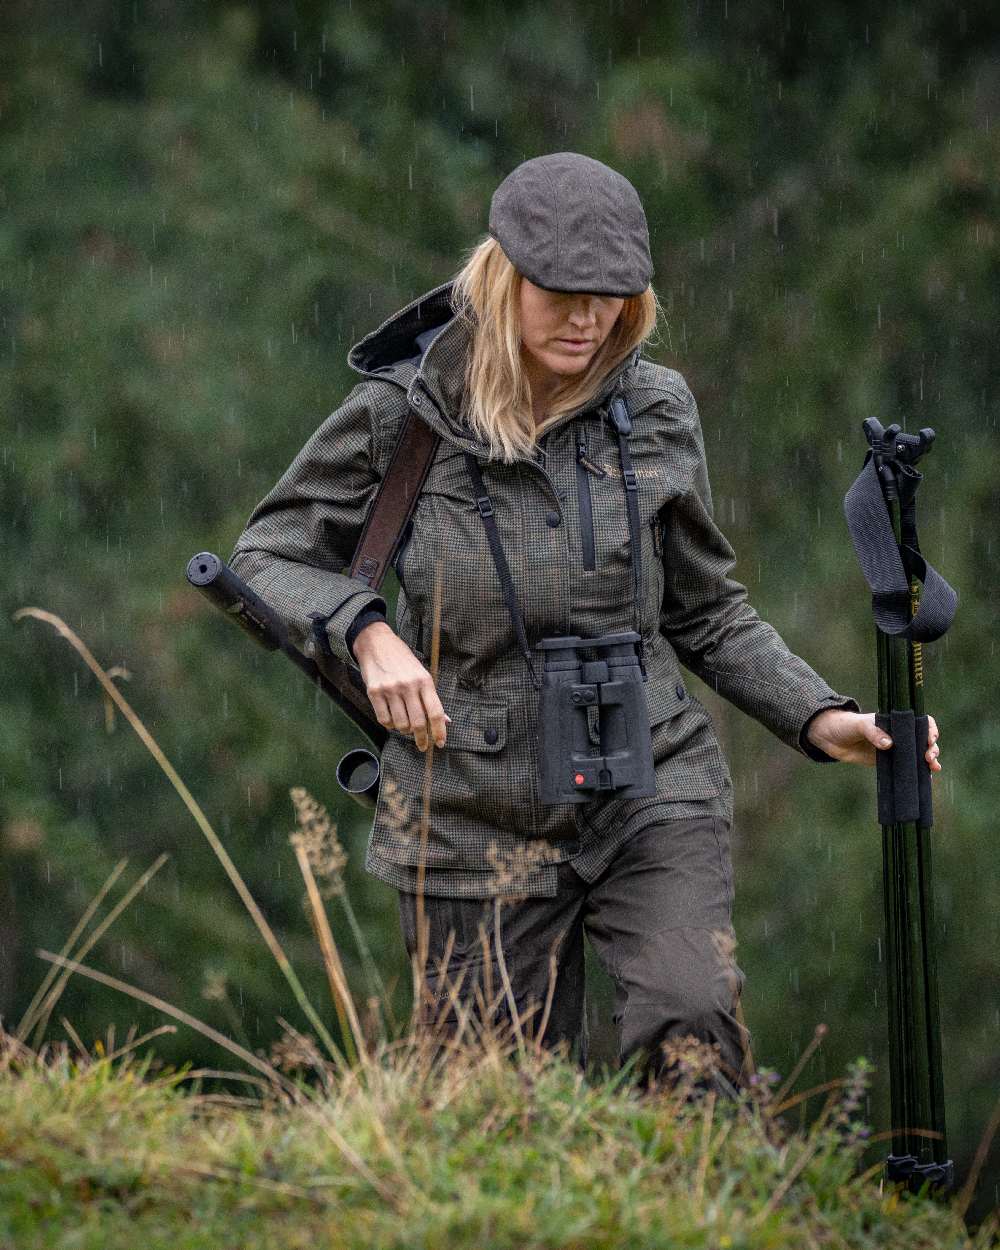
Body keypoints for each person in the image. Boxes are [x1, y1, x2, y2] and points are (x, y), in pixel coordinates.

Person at [229, 152, 941, 1095]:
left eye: (610, 297)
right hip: (468, 809)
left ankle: (697, 1185)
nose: (587, 319)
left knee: (692, 1018)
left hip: (648, 779)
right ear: (504, 279)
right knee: (492, 1101)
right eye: (562, 293)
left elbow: (706, 609)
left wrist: (822, 717)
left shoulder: (657, 409)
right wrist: (368, 632)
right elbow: (266, 557)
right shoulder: (402, 416)